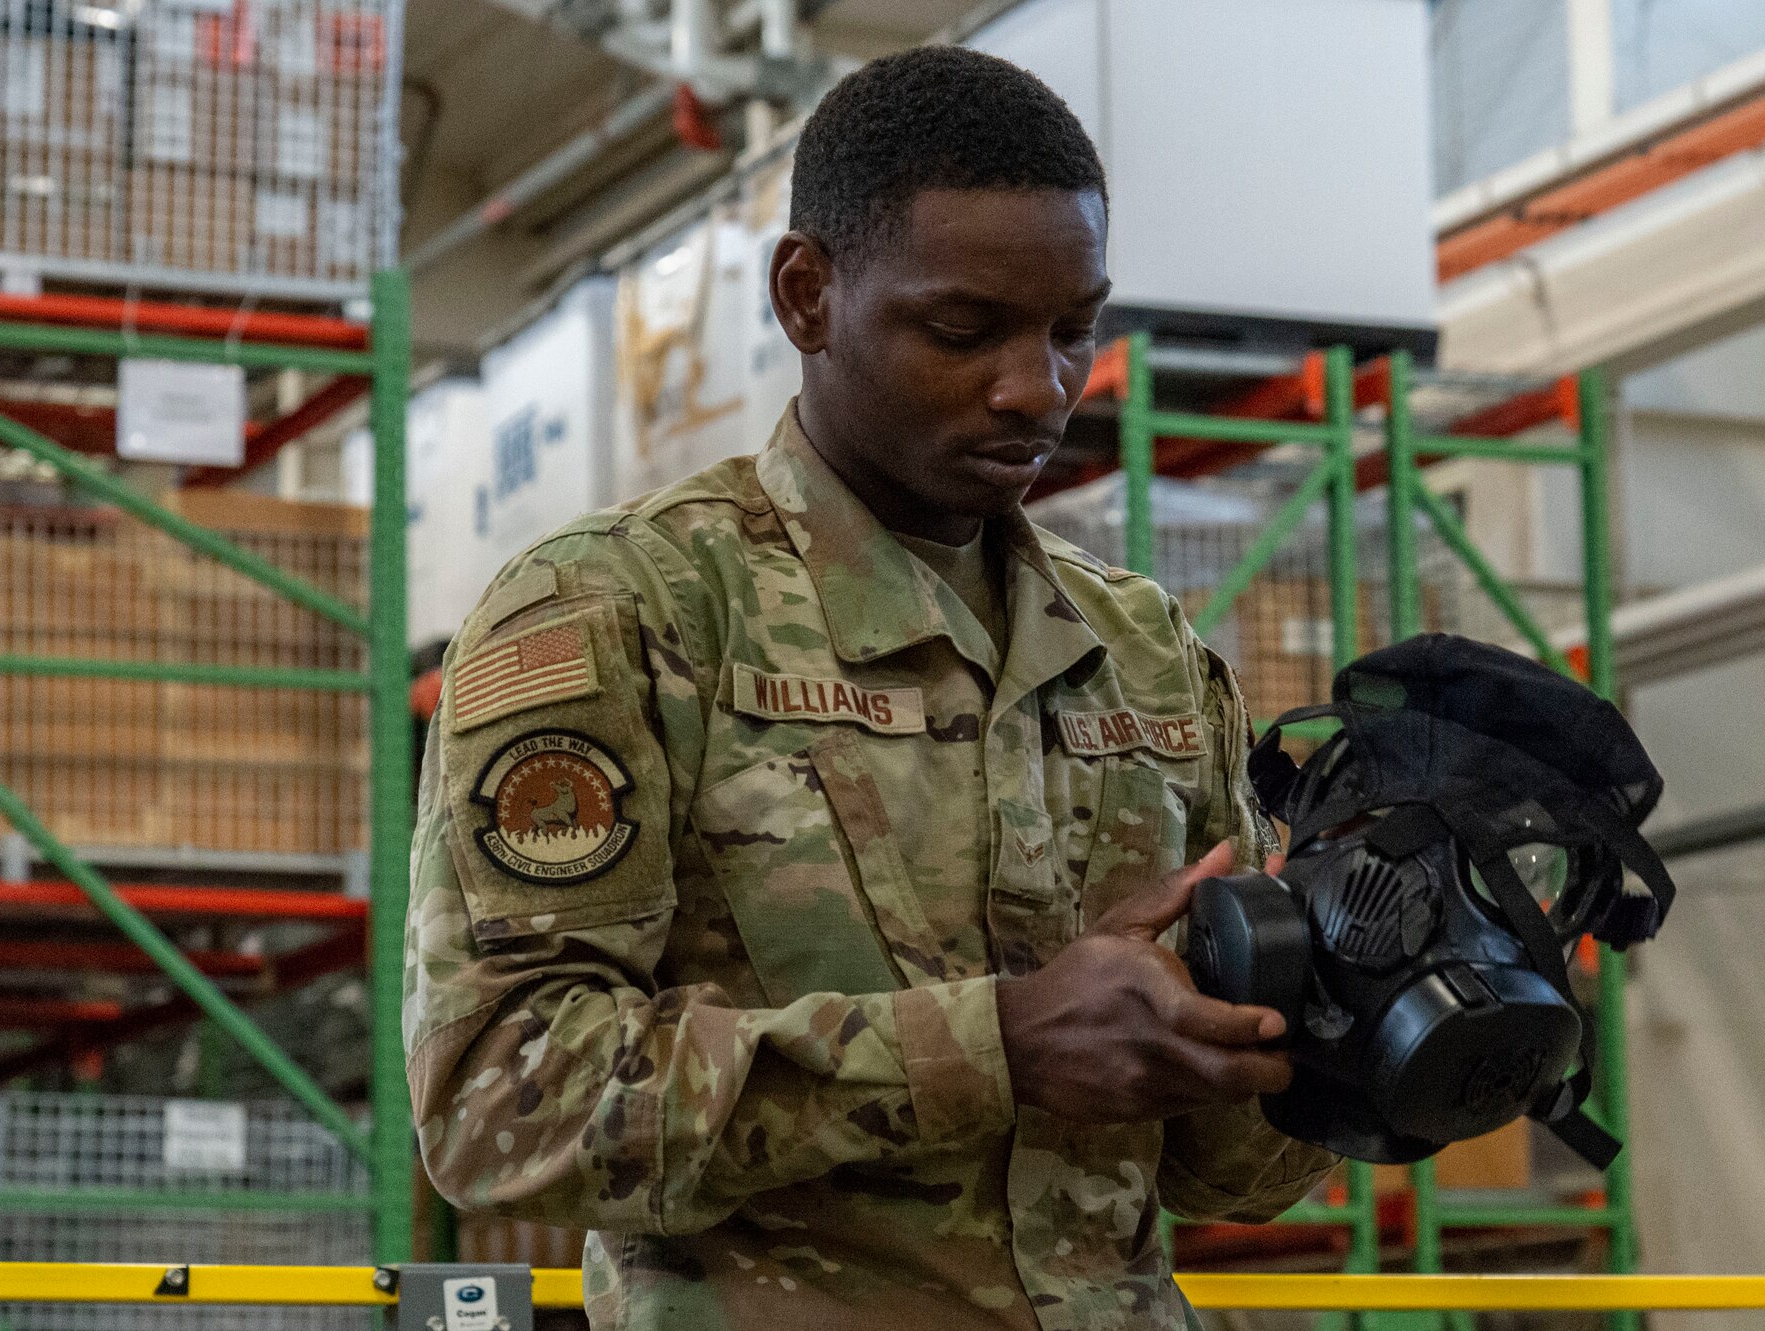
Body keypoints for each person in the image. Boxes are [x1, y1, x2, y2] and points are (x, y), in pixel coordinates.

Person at [405, 45, 1336, 1331]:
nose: (1037, 389)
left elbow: (1229, 1177)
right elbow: (502, 1106)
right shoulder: (624, 612)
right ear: (807, 295)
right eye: (962, 331)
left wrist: (1354, 1020)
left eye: (1073, 330)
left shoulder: (1147, 652)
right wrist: (998, 1041)